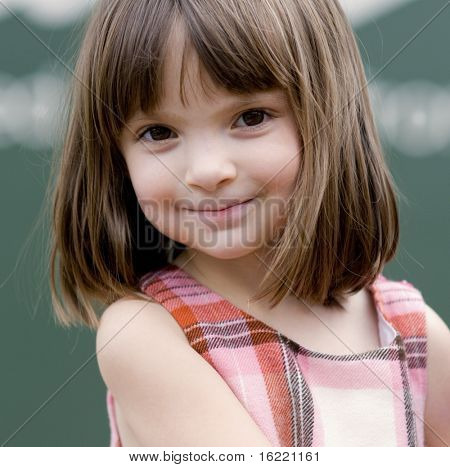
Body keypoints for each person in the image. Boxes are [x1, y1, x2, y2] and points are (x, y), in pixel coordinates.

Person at [48, 0, 450, 447]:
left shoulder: (416, 336)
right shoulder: (146, 335)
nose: (205, 170)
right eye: (159, 133)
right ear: (116, 159)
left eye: (251, 118)